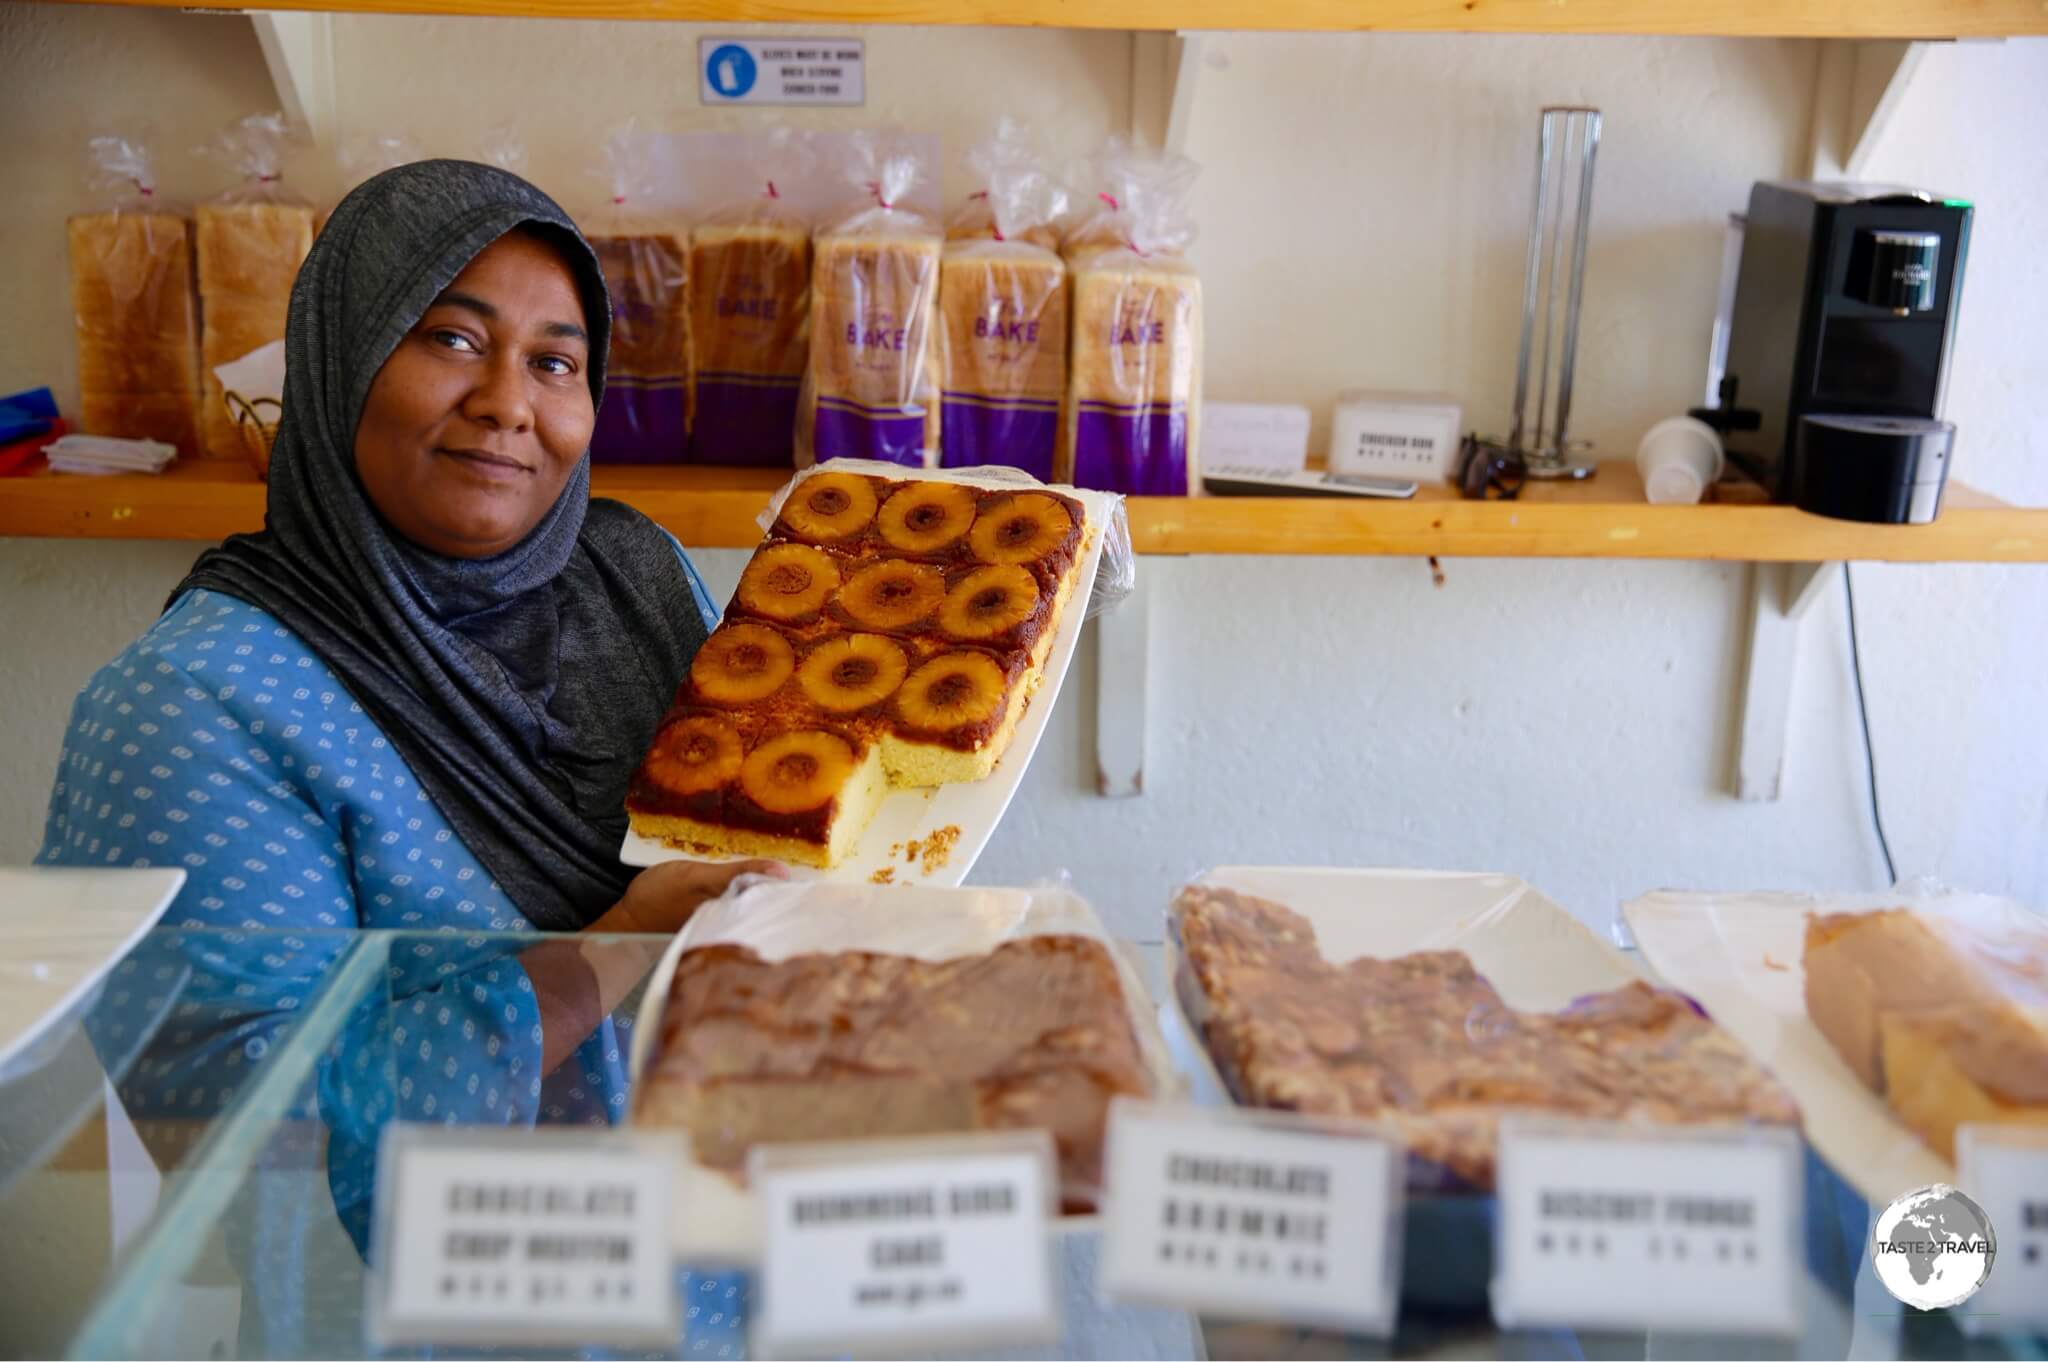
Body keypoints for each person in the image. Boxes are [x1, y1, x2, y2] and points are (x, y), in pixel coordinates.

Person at [35, 162, 776, 1341]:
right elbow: (252, 1141)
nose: (506, 402)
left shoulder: (637, 586)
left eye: (554, 360)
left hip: (728, 1294)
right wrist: (625, 943)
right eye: (448, 338)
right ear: (341, 355)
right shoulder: (196, 701)